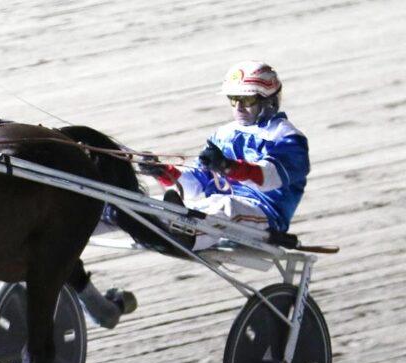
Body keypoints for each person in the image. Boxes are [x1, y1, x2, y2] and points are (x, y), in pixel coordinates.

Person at [73, 60, 310, 328]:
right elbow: (197, 182)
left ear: (268, 101)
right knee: (164, 205)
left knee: (224, 208)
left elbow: (270, 177)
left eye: (247, 100)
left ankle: (181, 231)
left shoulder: (288, 137)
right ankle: (101, 223)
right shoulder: (224, 134)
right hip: (208, 205)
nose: (239, 108)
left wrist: (229, 166)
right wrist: (164, 171)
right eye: (233, 100)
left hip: (262, 213)